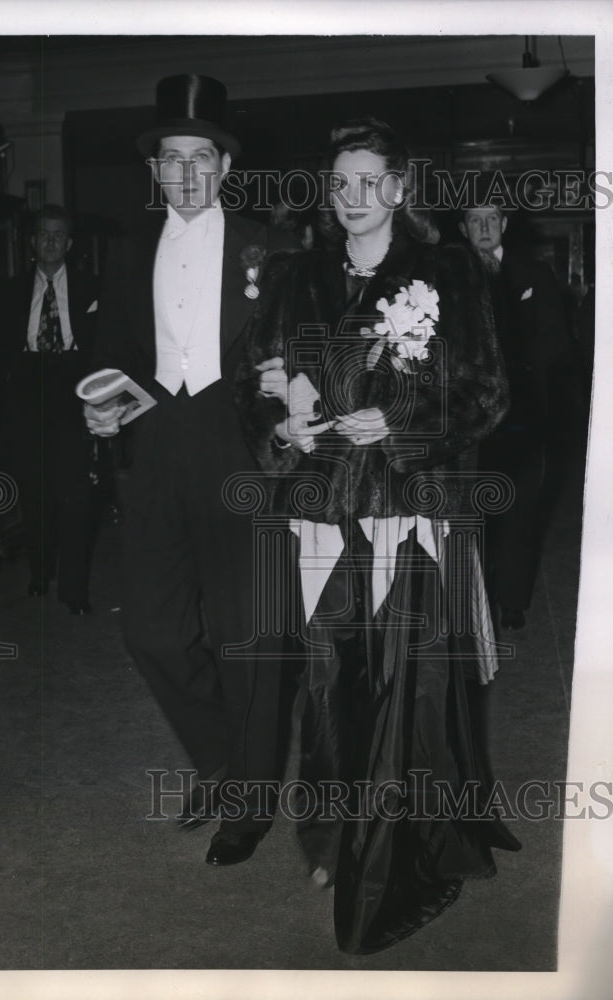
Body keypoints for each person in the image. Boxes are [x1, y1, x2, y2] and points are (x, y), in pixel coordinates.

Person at [238, 118, 521, 953]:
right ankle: (333, 838)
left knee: (408, 687)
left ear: (398, 188)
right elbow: (252, 386)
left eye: (368, 181)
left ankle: (402, 846)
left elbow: (486, 394)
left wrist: (395, 421)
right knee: (330, 687)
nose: (352, 198)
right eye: (339, 183)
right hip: (323, 508)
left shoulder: (447, 272)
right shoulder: (295, 279)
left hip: (408, 504)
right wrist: (280, 428)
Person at [83, 75, 299, 866]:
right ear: (154, 170)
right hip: (155, 447)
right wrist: (103, 404)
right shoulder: (124, 251)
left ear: (225, 166)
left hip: (241, 447)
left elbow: (303, 357)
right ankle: (221, 758)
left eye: (199, 157)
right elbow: (111, 360)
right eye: (170, 159)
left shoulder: (271, 249)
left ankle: (247, 796)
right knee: (150, 630)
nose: (184, 174)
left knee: (250, 637)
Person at [458, 198, 569, 630]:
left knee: (521, 508)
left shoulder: (535, 275)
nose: (484, 228)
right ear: (464, 229)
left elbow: (557, 341)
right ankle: (474, 600)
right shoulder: (452, 277)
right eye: (474, 221)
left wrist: (510, 371)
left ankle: (513, 601)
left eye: (491, 220)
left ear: (504, 224)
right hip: (469, 420)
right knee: (473, 511)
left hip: (523, 414)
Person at [0, 204, 100, 614]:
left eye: (59, 234)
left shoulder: (92, 287)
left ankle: (74, 590)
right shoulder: (8, 289)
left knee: (75, 494)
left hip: (74, 386)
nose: (51, 241)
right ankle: (40, 572)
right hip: (27, 387)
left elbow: (103, 346)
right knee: (35, 488)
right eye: (44, 234)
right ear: (32, 242)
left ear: (69, 244)